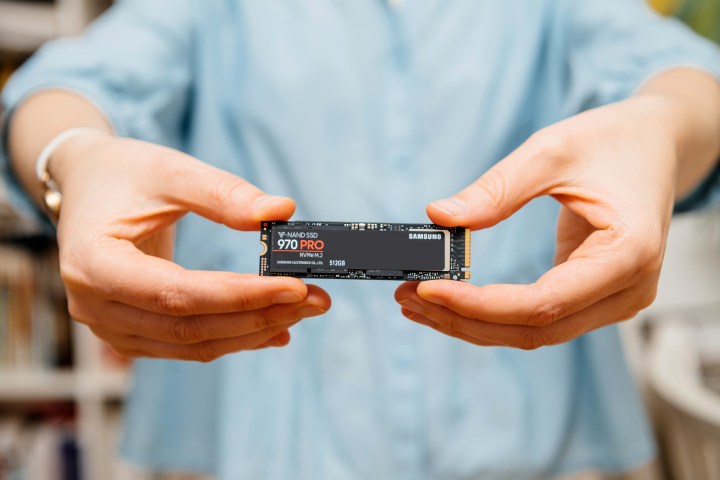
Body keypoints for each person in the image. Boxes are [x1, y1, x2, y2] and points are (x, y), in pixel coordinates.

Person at [2, 0, 720, 478]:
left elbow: (688, 76)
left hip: (535, 446)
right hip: (249, 448)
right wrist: (71, 155)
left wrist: (663, 127)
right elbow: (68, 83)